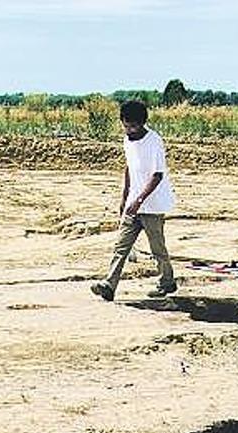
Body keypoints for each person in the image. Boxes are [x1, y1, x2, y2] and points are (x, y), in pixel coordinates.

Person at [91, 100, 176, 301]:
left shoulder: (154, 141)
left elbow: (157, 175)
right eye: (126, 125)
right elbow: (129, 168)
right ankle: (109, 285)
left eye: (133, 126)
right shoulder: (127, 141)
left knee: (157, 248)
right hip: (132, 204)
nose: (129, 130)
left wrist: (139, 200)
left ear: (142, 123)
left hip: (152, 205)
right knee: (121, 247)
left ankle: (167, 282)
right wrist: (125, 197)